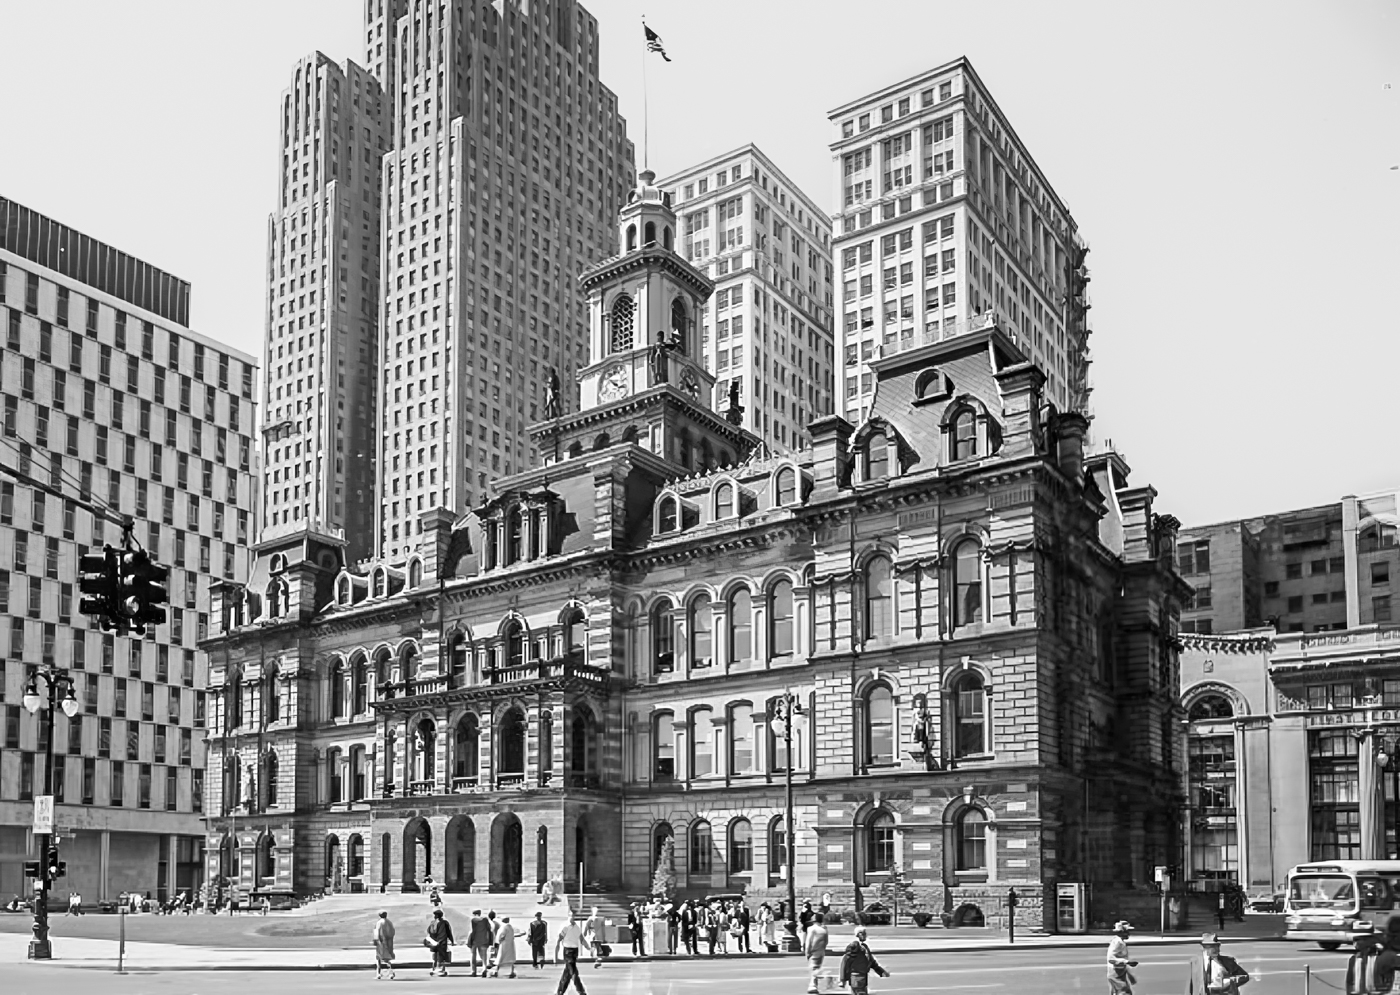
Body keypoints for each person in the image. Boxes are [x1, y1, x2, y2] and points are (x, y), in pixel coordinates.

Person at [838, 926, 890, 995]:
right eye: (864, 933)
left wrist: (881, 971)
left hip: (863, 977)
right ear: (859, 934)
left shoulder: (864, 946)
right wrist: (842, 979)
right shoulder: (854, 946)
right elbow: (845, 962)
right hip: (856, 977)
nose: (866, 935)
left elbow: (871, 961)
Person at [554, 912, 590, 995]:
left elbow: (582, 939)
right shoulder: (565, 926)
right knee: (573, 972)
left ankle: (560, 992)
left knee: (567, 973)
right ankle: (581, 991)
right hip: (568, 951)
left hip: (574, 952)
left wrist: (588, 948)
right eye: (570, 916)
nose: (572, 917)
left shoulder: (577, 927)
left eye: (573, 916)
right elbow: (559, 940)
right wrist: (555, 956)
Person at [1107, 921, 1138, 995]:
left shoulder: (1120, 942)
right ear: (1121, 932)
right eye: (1127, 932)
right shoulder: (1117, 942)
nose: (1129, 934)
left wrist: (1129, 974)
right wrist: (1127, 962)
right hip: (1116, 973)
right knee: (1124, 993)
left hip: (1119, 973)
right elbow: (1111, 959)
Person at [804, 916, 831, 995]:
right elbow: (826, 941)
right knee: (817, 967)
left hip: (813, 950)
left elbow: (809, 941)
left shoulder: (811, 929)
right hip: (821, 950)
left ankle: (812, 985)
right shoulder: (824, 929)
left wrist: (807, 952)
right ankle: (814, 984)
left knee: (813, 968)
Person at [425, 908, 454, 977]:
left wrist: (431, 941)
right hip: (441, 942)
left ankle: (434, 968)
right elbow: (448, 933)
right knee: (441, 957)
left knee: (435, 956)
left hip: (433, 942)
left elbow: (429, 932)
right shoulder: (444, 923)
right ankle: (441, 970)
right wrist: (451, 940)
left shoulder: (432, 923)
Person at [373, 909, 397, 980]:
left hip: (381, 943)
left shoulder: (379, 923)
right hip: (388, 942)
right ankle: (390, 972)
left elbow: (377, 933)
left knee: (379, 958)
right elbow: (392, 932)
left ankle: (378, 973)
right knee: (387, 958)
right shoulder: (389, 922)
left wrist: (376, 940)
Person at [468, 909, 493, 976]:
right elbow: (489, 929)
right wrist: (490, 940)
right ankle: (484, 968)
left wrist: (469, 941)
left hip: (475, 940)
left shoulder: (473, 920)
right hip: (484, 940)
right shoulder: (485, 920)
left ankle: (473, 971)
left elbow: (473, 931)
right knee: (483, 956)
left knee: (473, 956)